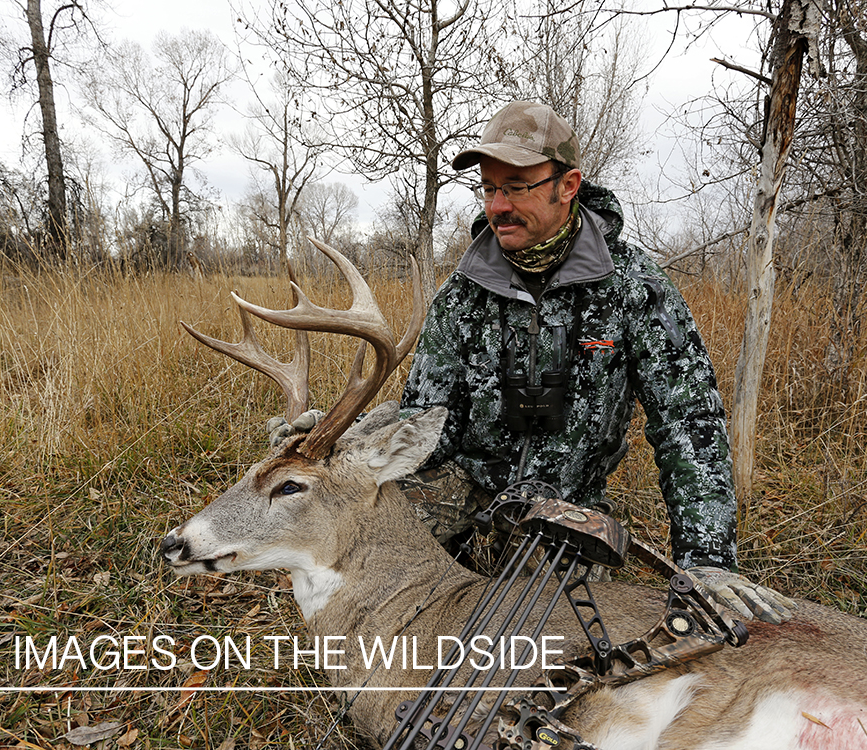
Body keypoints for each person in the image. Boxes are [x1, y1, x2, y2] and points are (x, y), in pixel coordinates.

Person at [274, 101, 793, 625]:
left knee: (560, 638)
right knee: (357, 527)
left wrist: (706, 562)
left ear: (567, 186)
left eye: (516, 187)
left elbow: (688, 424)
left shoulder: (635, 288)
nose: (497, 205)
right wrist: (342, 439)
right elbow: (429, 420)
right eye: (488, 188)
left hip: (564, 510)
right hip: (467, 489)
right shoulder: (463, 293)